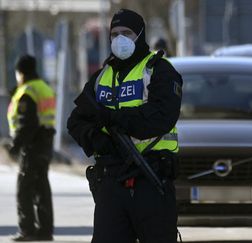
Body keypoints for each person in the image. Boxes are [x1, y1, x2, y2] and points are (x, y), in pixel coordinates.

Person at [67, 9, 182, 243]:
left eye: (127, 33)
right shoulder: (101, 77)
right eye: (115, 34)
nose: (120, 39)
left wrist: (113, 118)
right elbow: (76, 121)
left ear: (140, 35)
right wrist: (98, 140)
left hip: (151, 179)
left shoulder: (158, 70)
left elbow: (161, 118)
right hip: (111, 181)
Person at [6, 55, 56, 241]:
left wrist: (15, 145)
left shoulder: (27, 91)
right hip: (45, 144)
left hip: (32, 146)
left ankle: (27, 230)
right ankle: (45, 230)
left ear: (21, 72)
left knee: (24, 188)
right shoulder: (44, 88)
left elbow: (28, 124)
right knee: (42, 188)